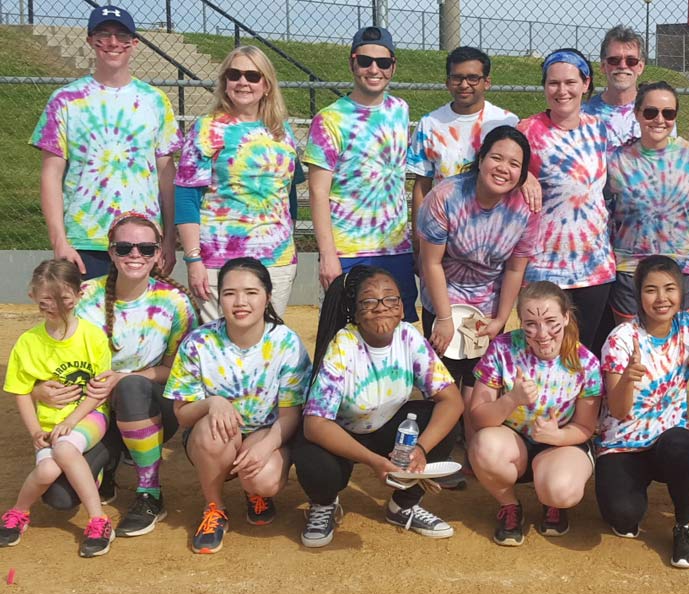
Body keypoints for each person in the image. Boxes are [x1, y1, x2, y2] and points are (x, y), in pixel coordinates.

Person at [294, 266, 465, 547]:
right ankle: (324, 504)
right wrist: (374, 462)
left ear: (401, 308)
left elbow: (452, 400)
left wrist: (420, 449)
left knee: (443, 424)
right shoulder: (344, 346)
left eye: (391, 299)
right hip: (340, 434)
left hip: (385, 426)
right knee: (312, 457)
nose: (381, 307)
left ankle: (403, 506)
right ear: (356, 312)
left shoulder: (408, 337)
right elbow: (315, 424)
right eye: (369, 301)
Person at [166, 258, 311, 554]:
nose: (240, 302)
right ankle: (214, 507)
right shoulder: (198, 343)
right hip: (214, 436)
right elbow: (182, 415)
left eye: (251, 292)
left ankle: (254, 492)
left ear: (267, 297)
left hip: (265, 431)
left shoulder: (286, 344)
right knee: (213, 430)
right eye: (230, 293)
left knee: (264, 480)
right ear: (219, 298)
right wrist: (212, 403)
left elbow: (290, 414)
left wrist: (266, 444)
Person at [31, 4, 181, 280]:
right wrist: (59, 241)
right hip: (84, 240)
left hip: (143, 243)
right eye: (103, 34)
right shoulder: (65, 100)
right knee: (86, 323)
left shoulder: (155, 100)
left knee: (140, 322)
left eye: (122, 36)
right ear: (90, 40)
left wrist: (169, 238)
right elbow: (50, 174)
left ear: (134, 43)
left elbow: (166, 173)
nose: (113, 43)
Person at [73, 212, 196, 537]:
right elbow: (52, 356)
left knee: (130, 388)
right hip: (92, 408)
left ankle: (149, 493)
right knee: (61, 496)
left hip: (151, 405)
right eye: (125, 248)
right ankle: (108, 469)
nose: (135, 255)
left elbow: (178, 372)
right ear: (111, 252)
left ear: (158, 254)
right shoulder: (84, 297)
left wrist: (124, 378)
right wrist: (44, 390)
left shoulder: (174, 302)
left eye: (146, 248)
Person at [597, 256, 689, 568]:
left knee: (681, 444)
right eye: (651, 290)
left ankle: (685, 527)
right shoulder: (621, 339)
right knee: (624, 518)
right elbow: (620, 411)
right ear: (638, 296)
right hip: (623, 441)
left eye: (669, 289)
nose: (661, 299)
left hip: (668, 438)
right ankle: (630, 491)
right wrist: (627, 379)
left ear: (682, 293)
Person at [468, 281, 602, 546]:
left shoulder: (586, 362)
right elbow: (478, 417)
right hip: (512, 442)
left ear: (566, 317)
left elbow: (586, 428)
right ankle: (509, 504)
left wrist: (556, 436)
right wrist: (511, 399)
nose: (542, 334)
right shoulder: (502, 349)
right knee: (484, 446)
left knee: (562, 491)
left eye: (551, 321)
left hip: (561, 445)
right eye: (531, 324)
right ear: (520, 322)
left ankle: (552, 501)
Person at [175, 46, 299, 322]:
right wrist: (193, 259)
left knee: (268, 344)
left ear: (266, 84)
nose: (243, 82)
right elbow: (186, 198)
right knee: (220, 347)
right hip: (219, 261)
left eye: (253, 76)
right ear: (225, 82)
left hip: (274, 260)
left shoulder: (282, 132)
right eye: (235, 74)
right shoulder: (207, 128)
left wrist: (289, 245)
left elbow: (288, 196)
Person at [0, 259, 114, 557]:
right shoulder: (28, 343)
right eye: (45, 300)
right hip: (50, 422)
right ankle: (19, 512)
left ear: (79, 295)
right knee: (48, 468)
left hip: (89, 415)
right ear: (31, 296)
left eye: (64, 299)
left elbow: (98, 392)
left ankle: (99, 520)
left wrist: (73, 419)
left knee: (63, 449)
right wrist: (35, 430)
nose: (56, 307)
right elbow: (21, 392)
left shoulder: (92, 336)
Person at [305, 26, 418, 323]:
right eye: (365, 60)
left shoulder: (400, 110)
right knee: (347, 333)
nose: (374, 69)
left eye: (383, 63)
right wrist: (328, 255)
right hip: (348, 248)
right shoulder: (329, 119)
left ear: (393, 66)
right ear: (352, 62)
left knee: (398, 332)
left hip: (395, 247)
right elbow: (318, 191)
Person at [417, 126, 541, 390]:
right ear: (481, 158)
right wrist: (444, 318)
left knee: (479, 389)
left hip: (489, 304)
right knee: (443, 389)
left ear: (522, 173)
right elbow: (431, 263)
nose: (503, 168)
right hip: (443, 299)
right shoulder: (445, 197)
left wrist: (499, 320)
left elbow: (515, 270)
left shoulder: (525, 208)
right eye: (496, 158)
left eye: (514, 163)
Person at [517, 48, 616, 356]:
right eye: (553, 83)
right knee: (545, 353)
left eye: (571, 82)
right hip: (544, 266)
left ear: (586, 84)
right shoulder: (527, 130)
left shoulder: (599, 129)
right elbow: (497, 170)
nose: (562, 91)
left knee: (585, 353)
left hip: (594, 264)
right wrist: (523, 176)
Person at [604, 81, 689, 322]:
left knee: (676, 348)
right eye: (651, 112)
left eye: (668, 113)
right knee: (632, 346)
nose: (659, 119)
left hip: (680, 265)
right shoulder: (617, 159)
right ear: (637, 113)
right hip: (631, 268)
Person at [407, 46, 527, 227]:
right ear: (447, 82)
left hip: (494, 228)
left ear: (486, 82)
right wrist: (418, 235)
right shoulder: (430, 124)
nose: (464, 85)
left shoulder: (506, 122)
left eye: (473, 78)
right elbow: (422, 184)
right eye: (457, 78)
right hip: (443, 228)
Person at [583, 26, 674, 144]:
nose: (622, 66)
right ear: (603, 66)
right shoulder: (584, 115)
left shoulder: (658, 114)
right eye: (614, 60)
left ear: (640, 67)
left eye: (631, 61)